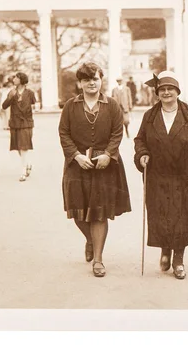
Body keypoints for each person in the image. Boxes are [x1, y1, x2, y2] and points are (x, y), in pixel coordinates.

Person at [134, 71, 188, 280]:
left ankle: (178, 259)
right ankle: (165, 249)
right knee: (161, 215)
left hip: (185, 176)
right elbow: (140, 140)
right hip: (158, 175)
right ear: (157, 93)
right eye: (162, 89)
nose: (166, 92)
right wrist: (142, 154)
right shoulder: (150, 116)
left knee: (182, 218)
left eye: (170, 89)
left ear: (177, 91)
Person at [58, 62, 132, 278]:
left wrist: (108, 155)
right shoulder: (70, 106)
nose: (91, 83)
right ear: (80, 83)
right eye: (86, 79)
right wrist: (76, 156)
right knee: (77, 211)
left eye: (95, 78)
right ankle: (90, 239)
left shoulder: (112, 105)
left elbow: (117, 133)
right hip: (77, 164)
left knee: (99, 213)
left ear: (101, 81)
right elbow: (64, 133)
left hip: (104, 166)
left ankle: (98, 259)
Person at [2, 72, 36, 182]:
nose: (14, 79)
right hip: (15, 123)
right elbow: (4, 106)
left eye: (16, 77)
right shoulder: (12, 92)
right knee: (18, 147)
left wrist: (30, 116)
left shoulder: (30, 93)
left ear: (21, 80)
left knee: (23, 146)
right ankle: (28, 164)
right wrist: (10, 98)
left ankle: (23, 172)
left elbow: (34, 105)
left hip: (26, 123)